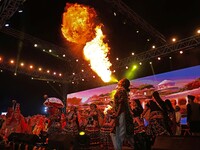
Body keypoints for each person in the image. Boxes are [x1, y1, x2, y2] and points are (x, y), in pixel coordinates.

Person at [110, 78, 134, 150]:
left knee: (114, 134)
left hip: (122, 115)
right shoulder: (123, 91)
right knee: (127, 134)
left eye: (121, 80)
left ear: (122, 83)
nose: (119, 81)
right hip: (124, 114)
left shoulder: (121, 90)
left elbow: (121, 104)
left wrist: (117, 114)